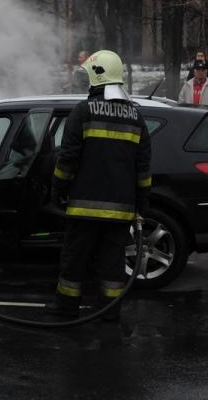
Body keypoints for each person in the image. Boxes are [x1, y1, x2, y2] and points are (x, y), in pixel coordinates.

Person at [45, 50, 153, 322]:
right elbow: (143, 168)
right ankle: (109, 310)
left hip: (83, 208)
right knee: (112, 263)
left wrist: (57, 190)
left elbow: (67, 158)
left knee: (74, 260)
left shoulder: (83, 112)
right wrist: (142, 203)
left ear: (97, 76)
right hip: (120, 211)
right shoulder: (136, 117)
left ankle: (66, 307)